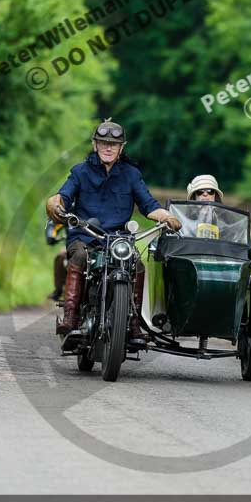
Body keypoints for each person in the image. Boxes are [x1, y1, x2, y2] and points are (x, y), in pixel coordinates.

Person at [46, 119, 182, 345]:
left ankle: (133, 323)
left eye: (113, 144)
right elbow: (64, 197)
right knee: (79, 256)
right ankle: (70, 317)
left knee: (137, 265)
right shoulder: (79, 172)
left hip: (119, 240)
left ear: (122, 147)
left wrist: (167, 217)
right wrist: (55, 204)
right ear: (95, 144)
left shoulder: (131, 174)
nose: (108, 147)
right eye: (103, 142)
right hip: (85, 236)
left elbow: (148, 205)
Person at [44, 219, 67, 301]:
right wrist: (51, 235)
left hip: (99, 246)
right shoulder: (73, 211)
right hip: (72, 245)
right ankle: (59, 289)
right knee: (60, 257)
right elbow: (55, 223)